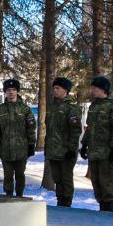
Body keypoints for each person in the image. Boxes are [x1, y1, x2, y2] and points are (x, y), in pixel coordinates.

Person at [81, 76, 113, 212]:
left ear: (103, 89)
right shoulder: (94, 105)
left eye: (95, 88)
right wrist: (84, 145)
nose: (93, 90)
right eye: (93, 88)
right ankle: (102, 207)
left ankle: (108, 209)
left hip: (106, 151)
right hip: (94, 151)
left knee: (106, 182)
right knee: (96, 182)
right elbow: (89, 127)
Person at [0, 78, 36, 198]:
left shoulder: (26, 110)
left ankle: (20, 195)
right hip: (5, 149)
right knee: (8, 175)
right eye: (8, 90)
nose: (11, 92)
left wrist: (31, 145)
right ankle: (8, 196)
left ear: (17, 92)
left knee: (20, 174)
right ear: (5, 92)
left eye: (13, 90)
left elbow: (31, 129)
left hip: (22, 149)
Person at [44, 78, 83, 206]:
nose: (55, 91)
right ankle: (60, 202)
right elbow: (49, 129)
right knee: (57, 178)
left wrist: (72, 149)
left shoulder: (72, 107)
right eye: (54, 88)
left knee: (66, 179)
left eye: (58, 88)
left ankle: (66, 203)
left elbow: (75, 130)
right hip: (53, 150)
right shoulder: (52, 107)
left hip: (66, 151)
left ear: (65, 90)